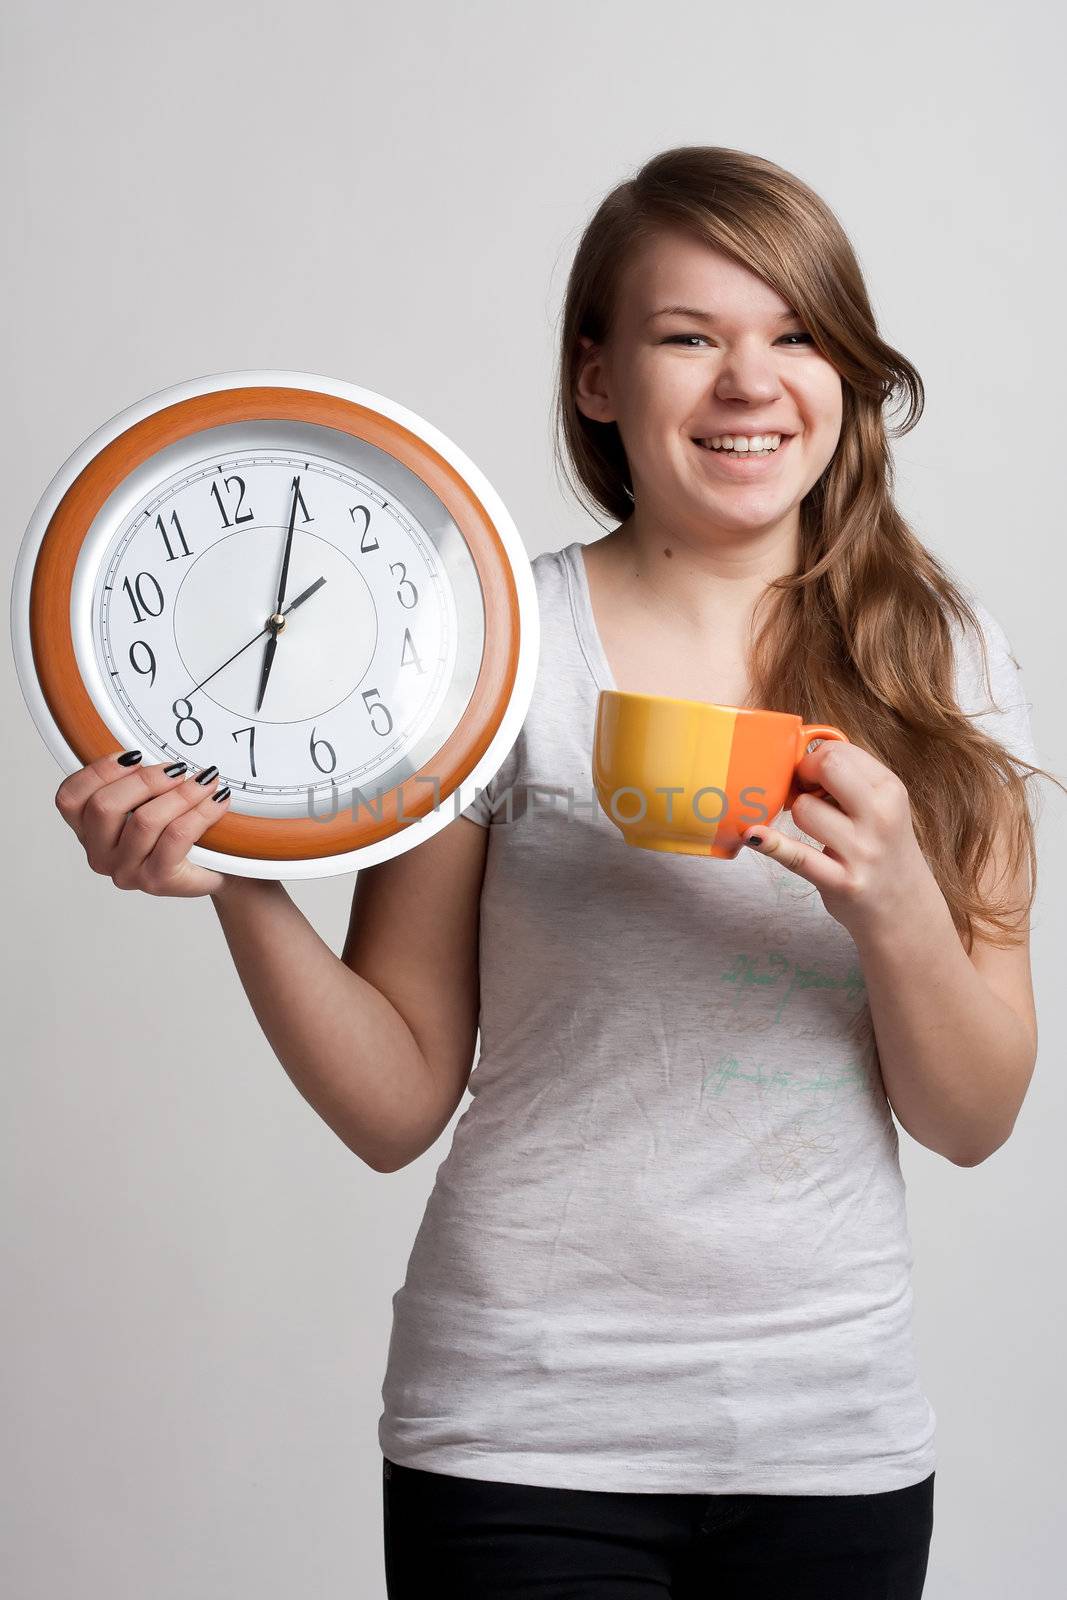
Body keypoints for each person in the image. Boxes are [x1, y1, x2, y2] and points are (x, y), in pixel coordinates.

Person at [54, 146, 1061, 1598]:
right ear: (598, 379)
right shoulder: (487, 652)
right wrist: (244, 874)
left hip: (828, 1439)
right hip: (520, 1430)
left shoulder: (946, 664)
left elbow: (973, 1119)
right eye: (688, 336)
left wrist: (897, 899)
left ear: (844, 373)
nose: (748, 381)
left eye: (794, 335)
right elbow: (397, 1103)